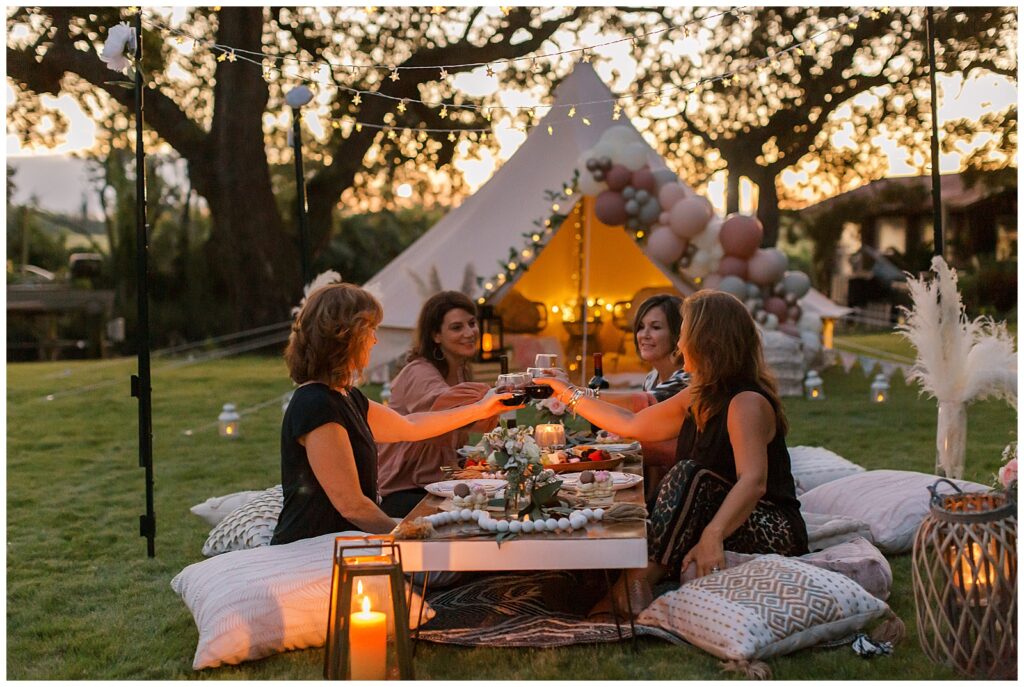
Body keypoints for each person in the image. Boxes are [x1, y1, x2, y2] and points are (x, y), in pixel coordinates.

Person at [536, 290, 808, 614]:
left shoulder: (746, 401)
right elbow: (632, 423)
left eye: (683, 335)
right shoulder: (700, 394)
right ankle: (612, 574)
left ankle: (632, 587)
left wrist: (712, 535)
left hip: (770, 525)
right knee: (670, 485)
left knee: (687, 473)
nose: (679, 345)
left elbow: (753, 482)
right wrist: (567, 394)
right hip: (714, 512)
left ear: (708, 341)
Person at [271, 283, 518, 545]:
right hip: (316, 546)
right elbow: (351, 505)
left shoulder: (347, 396)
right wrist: (411, 533)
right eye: (370, 330)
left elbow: (410, 426)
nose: (374, 340)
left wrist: (483, 408)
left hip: (347, 537)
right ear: (345, 336)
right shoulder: (315, 404)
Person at [377, 291, 501, 517]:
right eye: (456, 327)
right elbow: (444, 408)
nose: (469, 333)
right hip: (403, 489)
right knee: (481, 515)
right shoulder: (418, 372)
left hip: (439, 483)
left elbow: (478, 422)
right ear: (435, 335)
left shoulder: (461, 372)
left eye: (472, 324)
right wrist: (492, 396)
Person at [599, 294, 688, 498]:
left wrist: (573, 395)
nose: (644, 335)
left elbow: (636, 405)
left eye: (655, 328)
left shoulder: (686, 378)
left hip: (683, 482)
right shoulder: (652, 377)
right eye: (641, 327)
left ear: (677, 334)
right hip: (660, 474)